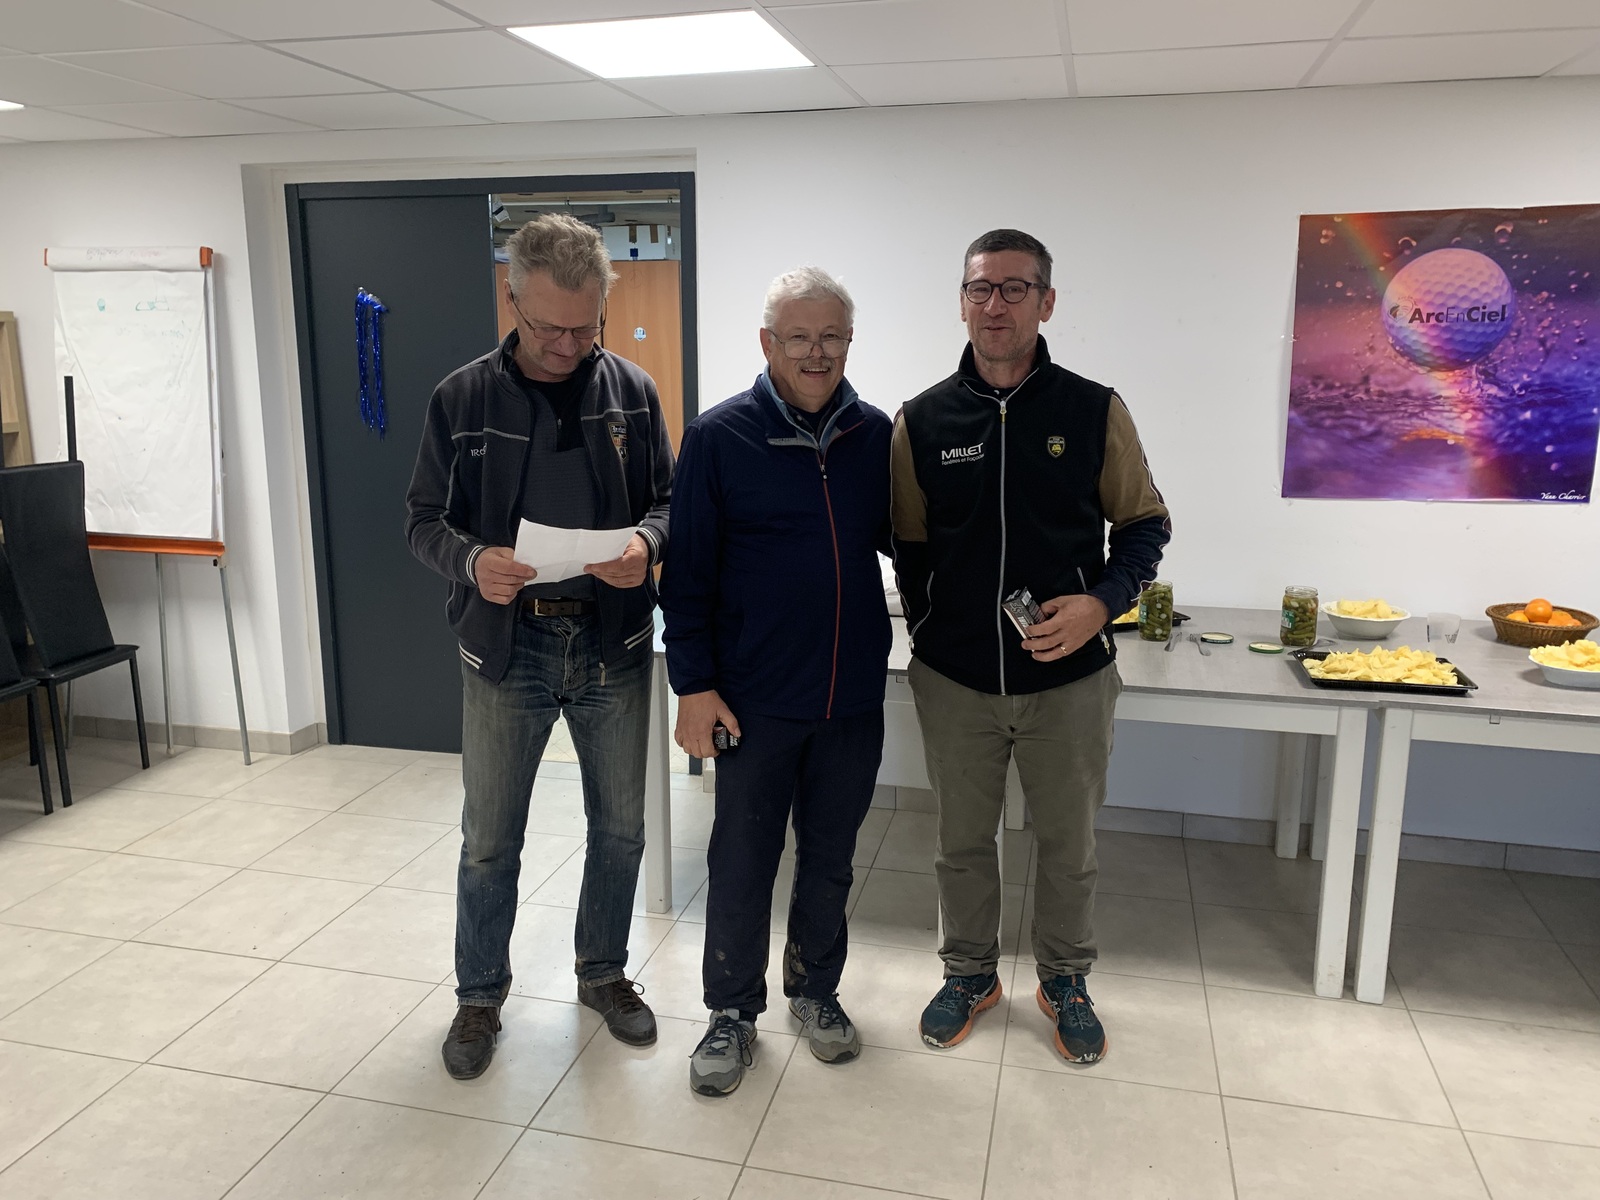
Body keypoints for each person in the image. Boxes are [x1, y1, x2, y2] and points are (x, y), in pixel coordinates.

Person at [405, 213, 674, 1080]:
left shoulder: (633, 390)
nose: (567, 346)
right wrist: (472, 560)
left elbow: (669, 501)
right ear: (511, 298)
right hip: (506, 646)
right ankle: (479, 996)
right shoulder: (461, 398)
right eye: (548, 327)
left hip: (611, 641)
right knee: (490, 838)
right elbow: (422, 520)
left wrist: (647, 544)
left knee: (621, 831)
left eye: (584, 328)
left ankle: (603, 973)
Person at [890, 229, 1170, 1063]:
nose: (996, 305)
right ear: (961, 302)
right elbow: (909, 545)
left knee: (1068, 847)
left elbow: (1145, 525)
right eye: (980, 288)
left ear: (1047, 303)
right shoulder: (922, 420)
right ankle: (970, 974)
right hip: (956, 681)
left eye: (1016, 288)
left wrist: (1102, 605)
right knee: (960, 845)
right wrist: (937, 632)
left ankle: (1065, 979)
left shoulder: (1093, 409)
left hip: (1070, 680)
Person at [663, 267, 892, 1096]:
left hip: (850, 699)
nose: (816, 353)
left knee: (830, 860)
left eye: (832, 337)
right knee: (742, 861)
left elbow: (916, 543)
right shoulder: (719, 437)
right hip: (754, 701)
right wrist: (693, 685)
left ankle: (815, 990)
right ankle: (730, 1012)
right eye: (799, 337)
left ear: (849, 341)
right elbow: (686, 576)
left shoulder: (874, 435)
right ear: (768, 342)